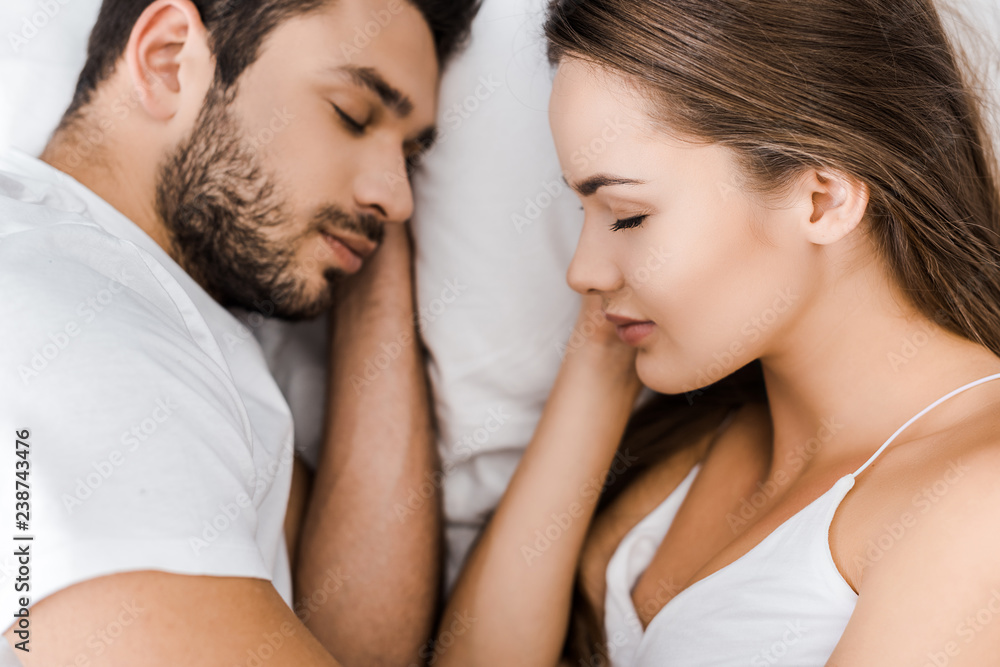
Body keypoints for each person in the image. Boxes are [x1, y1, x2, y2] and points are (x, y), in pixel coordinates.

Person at [436, 0, 1000, 665]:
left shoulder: (977, 500)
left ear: (821, 199)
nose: (581, 272)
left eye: (627, 215)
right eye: (583, 208)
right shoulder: (696, 442)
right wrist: (600, 367)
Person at [0, 0, 478, 664]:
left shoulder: (142, 302)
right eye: (351, 113)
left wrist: (352, 226)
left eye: (411, 157)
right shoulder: (80, 330)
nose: (398, 201)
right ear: (168, 59)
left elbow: (352, 639)